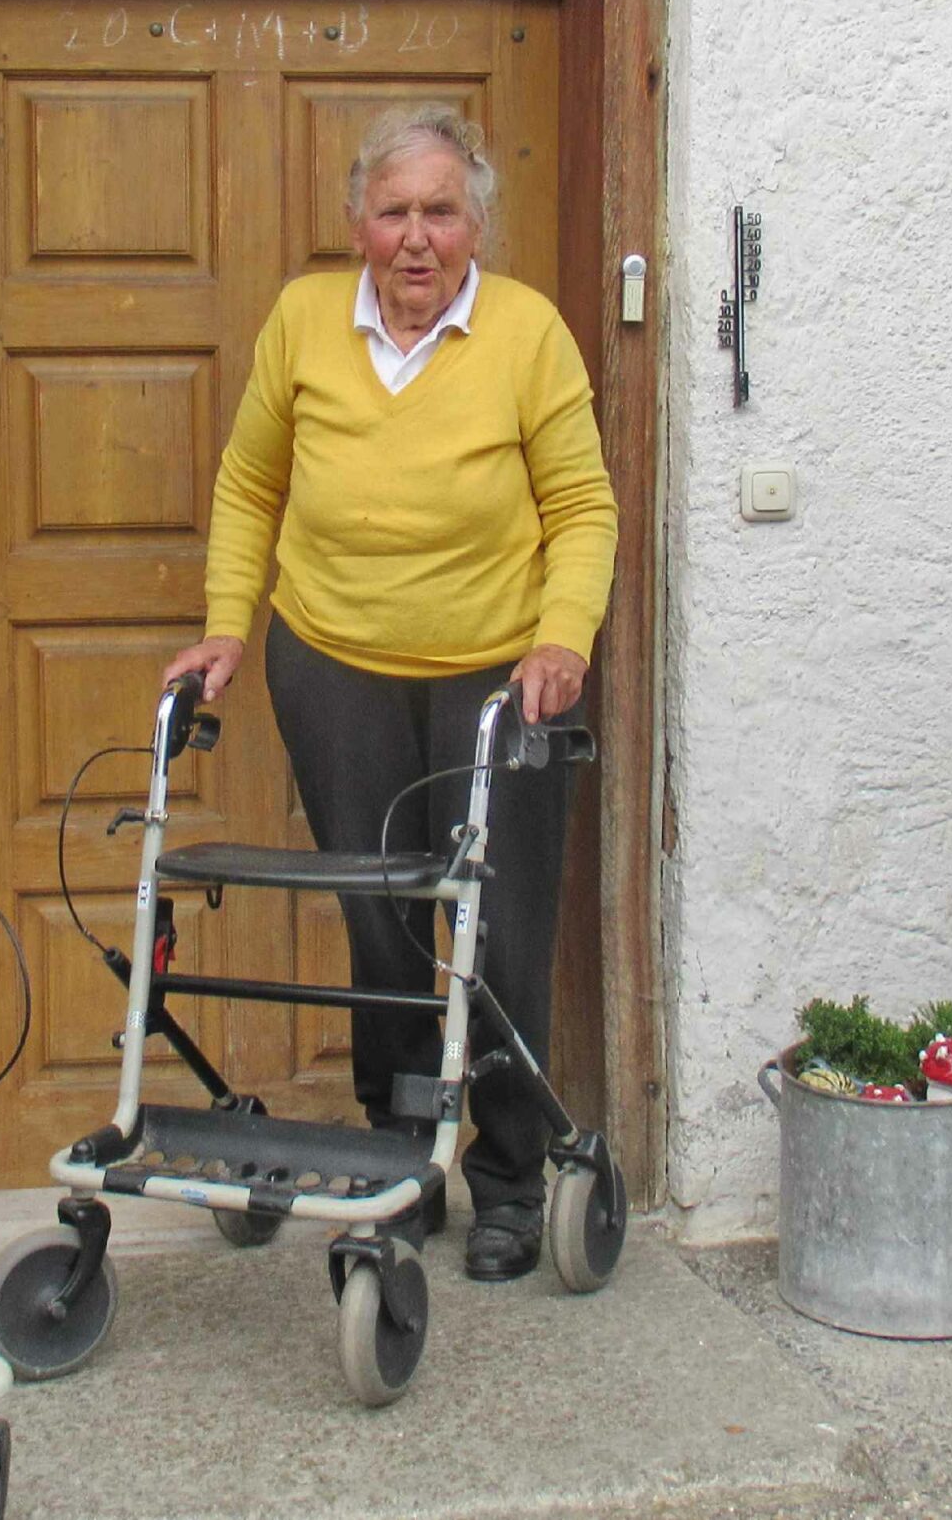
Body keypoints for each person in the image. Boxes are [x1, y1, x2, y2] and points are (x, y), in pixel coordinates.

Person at [162, 105, 618, 1283]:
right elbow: (250, 481)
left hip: (497, 675)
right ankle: (401, 1156)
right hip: (335, 664)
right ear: (356, 221)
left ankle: (508, 1180)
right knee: (382, 920)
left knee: (500, 928)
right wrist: (228, 624)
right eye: (394, 211)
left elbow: (581, 505)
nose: (418, 237)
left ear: (477, 224)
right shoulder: (302, 320)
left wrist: (561, 640)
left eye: (441, 211)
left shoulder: (527, 332)